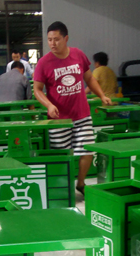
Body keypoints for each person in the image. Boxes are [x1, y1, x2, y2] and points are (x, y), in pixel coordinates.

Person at [33, 21, 112, 195]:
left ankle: (81, 183)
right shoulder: (44, 63)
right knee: (62, 156)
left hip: (82, 114)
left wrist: (102, 96)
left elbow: (89, 78)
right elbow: (37, 90)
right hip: (59, 119)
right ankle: (64, 189)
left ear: (66, 38)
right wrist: (49, 105)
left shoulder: (78, 55)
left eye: (56, 39)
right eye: (49, 40)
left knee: (88, 149)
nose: (52, 43)